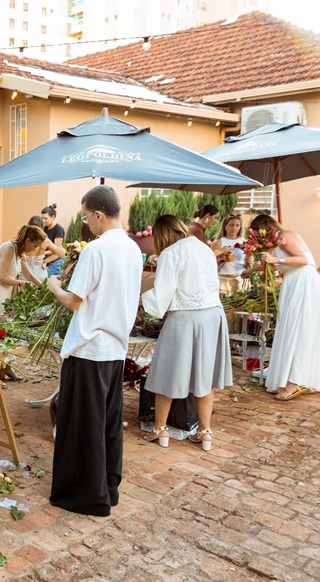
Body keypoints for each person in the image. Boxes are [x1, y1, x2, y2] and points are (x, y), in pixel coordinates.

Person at [45, 185, 142, 517]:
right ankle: (108, 486)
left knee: (83, 425)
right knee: (108, 424)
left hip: (90, 348)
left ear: (99, 214)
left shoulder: (96, 250)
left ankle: (88, 495)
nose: (86, 223)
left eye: (87, 216)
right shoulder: (131, 249)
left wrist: (55, 284)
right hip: (115, 347)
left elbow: (74, 301)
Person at [141, 215, 232, 452]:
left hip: (184, 316)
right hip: (213, 315)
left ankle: (160, 429)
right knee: (204, 375)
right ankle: (205, 432)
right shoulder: (204, 248)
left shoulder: (171, 253)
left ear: (161, 235)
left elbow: (163, 294)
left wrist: (141, 300)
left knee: (167, 371)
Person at [241, 215, 320, 400]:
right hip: (293, 283)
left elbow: (303, 260)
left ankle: (298, 380)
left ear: (266, 227)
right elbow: (275, 265)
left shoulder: (286, 236)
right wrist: (250, 271)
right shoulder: (274, 242)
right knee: (290, 328)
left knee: (301, 329)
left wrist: (274, 260)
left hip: (304, 282)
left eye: (258, 232)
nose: (258, 237)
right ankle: (287, 376)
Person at [0, 225, 46, 318]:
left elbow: (29, 276)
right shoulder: (9, 248)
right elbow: (1, 277)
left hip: (5, 294)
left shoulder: (21, 252)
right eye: (35, 246)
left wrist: (44, 288)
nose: (34, 249)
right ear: (27, 241)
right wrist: (24, 284)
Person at [211, 214, 246, 296]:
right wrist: (223, 260)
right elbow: (209, 262)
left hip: (240, 278)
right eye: (231, 225)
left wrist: (250, 261)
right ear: (225, 227)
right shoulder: (219, 242)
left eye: (237, 225)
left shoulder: (244, 242)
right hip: (223, 279)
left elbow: (246, 263)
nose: (234, 228)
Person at [25, 216, 64, 283]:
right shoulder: (45, 240)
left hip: (26, 275)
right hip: (41, 274)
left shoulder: (26, 240)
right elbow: (60, 254)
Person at [40, 205, 67, 276]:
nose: (43, 221)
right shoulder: (45, 228)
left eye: (46, 218)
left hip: (55, 263)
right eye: (42, 218)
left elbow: (57, 251)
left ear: (53, 217)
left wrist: (43, 256)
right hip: (46, 260)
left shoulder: (58, 230)